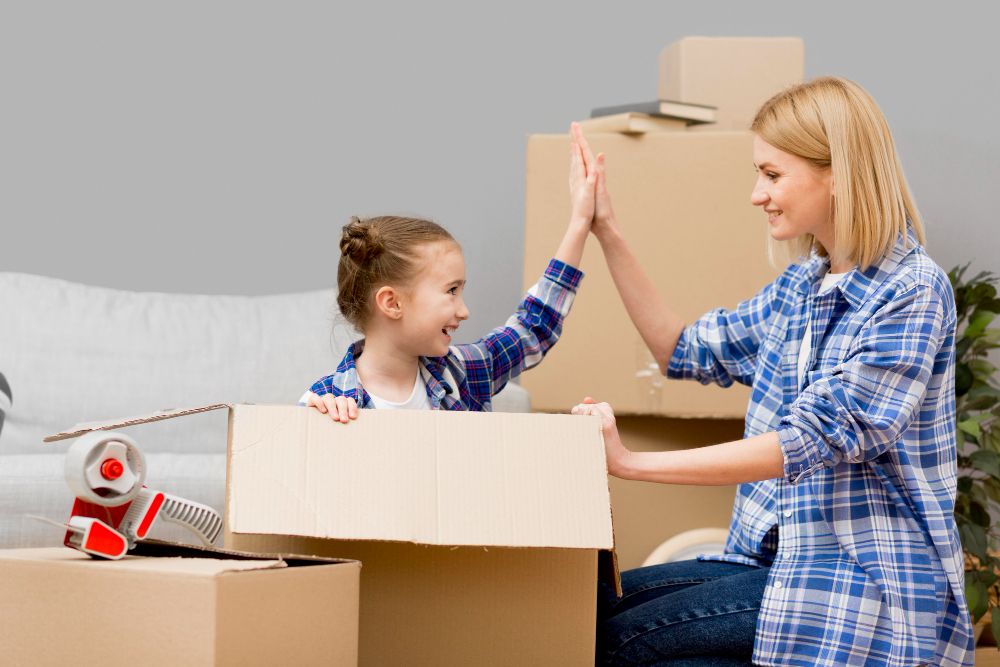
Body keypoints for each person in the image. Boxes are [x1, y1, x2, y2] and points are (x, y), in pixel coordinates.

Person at [570, 77, 973, 666]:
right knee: (596, 608)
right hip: (776, 561)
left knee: (616, 642)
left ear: (838, 172)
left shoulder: (912, 290)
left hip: (859, 581)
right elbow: (682, 350)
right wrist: (607, 229)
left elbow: (808, 440)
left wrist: (630, 464)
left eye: (772, 174)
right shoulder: (802, 287)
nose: (757, 194)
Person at [301, 130, 595, 420]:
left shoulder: (461, 374)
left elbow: (532, 327)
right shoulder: (327, 401)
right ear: (392, 303)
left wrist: (580, 223)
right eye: (451, 291)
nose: (464, 311)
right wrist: (317, 428)